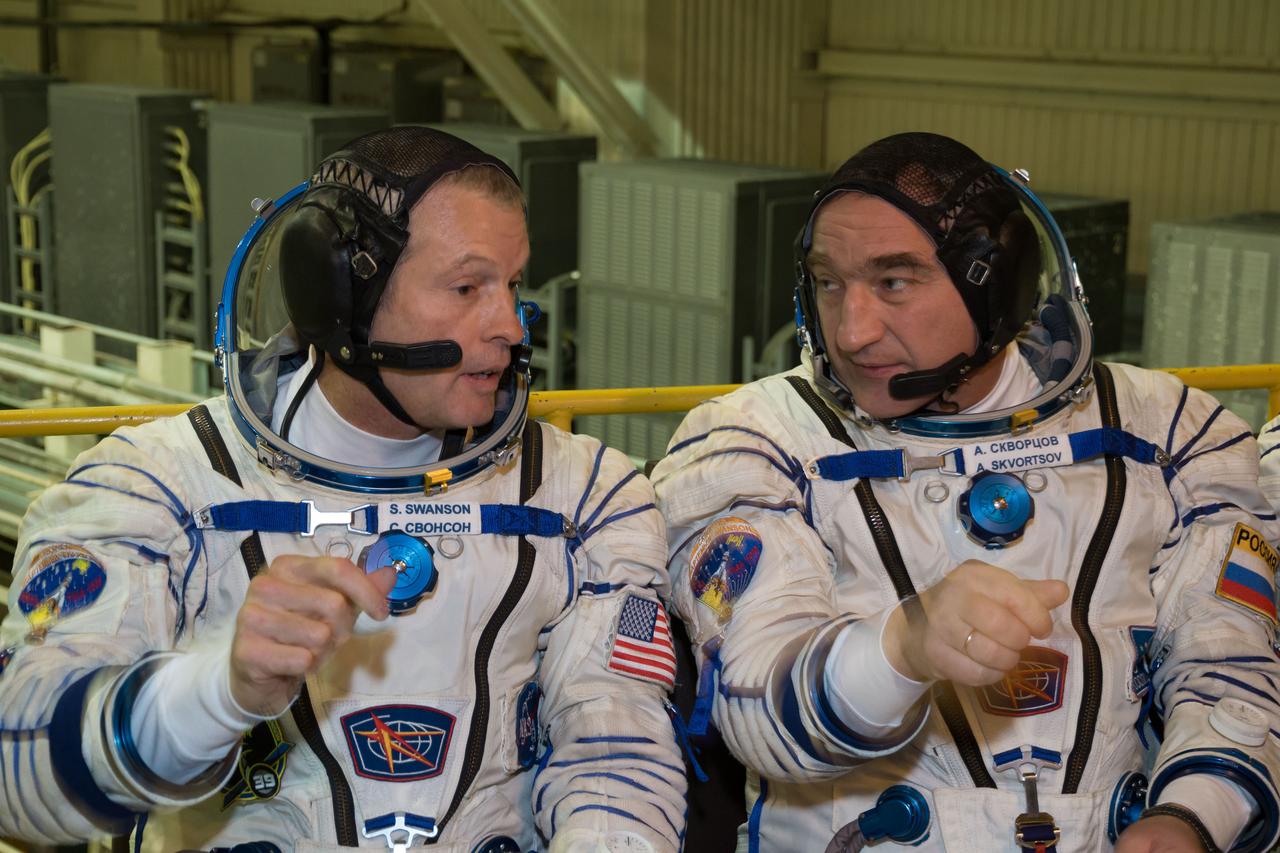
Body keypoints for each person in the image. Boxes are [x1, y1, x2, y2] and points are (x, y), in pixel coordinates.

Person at [0, 127, 686, 853]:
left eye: (512, 285)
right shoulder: (163, 487)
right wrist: (214, 691)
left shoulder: (586, 497)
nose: (510, 327)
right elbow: (19, 770)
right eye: (466, 287)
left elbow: (616, 757)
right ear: (340, 293)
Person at [652, 132, 1280, 852]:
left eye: (893, 282)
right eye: (829, 282)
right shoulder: (753, 441)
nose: (852, 330)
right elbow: (758, 706)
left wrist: (1193, 817)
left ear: (996, 282)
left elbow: (1230, 671)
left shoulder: (1171, 437)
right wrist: (901, 646)